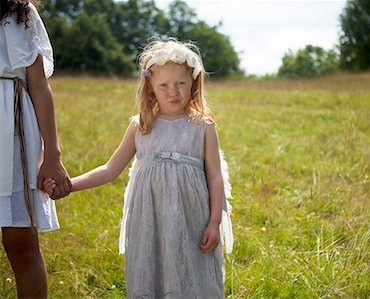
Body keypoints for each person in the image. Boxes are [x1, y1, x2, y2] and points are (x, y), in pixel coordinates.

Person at [44, 39, 233, 298]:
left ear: (193, 84)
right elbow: (110, 169)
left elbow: (214, 177)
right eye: (164, 85)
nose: (173, 91)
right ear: (151, 88)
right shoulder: (141, 125)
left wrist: (214, 222)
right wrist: (69, 185)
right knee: (153, 271)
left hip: (192, 219)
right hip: (150, 218)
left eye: (181, 83)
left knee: (192, 271)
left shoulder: (203, 126)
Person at [0, 0, 71, 298]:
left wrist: (52, 156)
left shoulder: (18, 13)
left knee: (20, 243)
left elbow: (39, 86)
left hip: (11, 132)